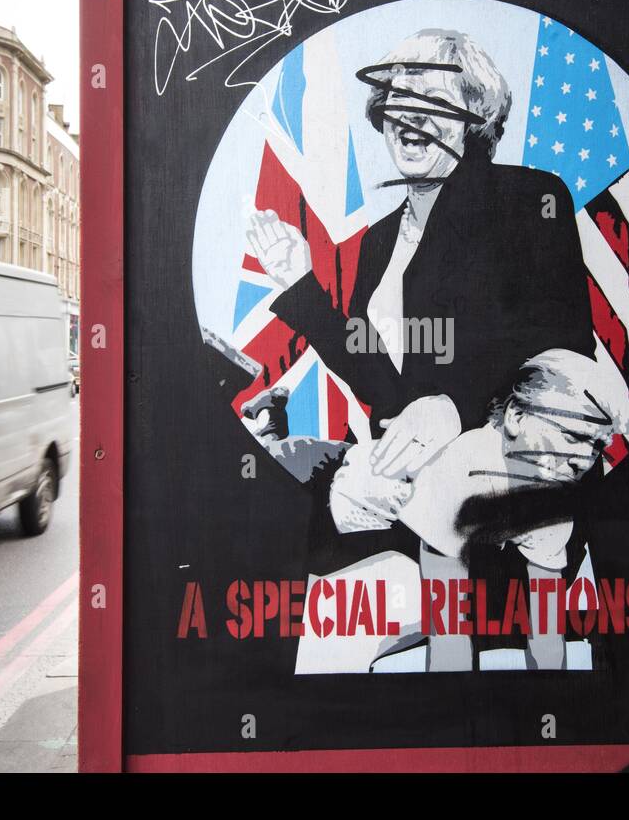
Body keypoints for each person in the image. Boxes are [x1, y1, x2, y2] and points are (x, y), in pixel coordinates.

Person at [247, 29, 594, 483]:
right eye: (399, 96)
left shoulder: (529, 199)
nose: (410, 113)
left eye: (432, 98)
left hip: (511, 482)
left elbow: (560, 344)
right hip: (401, 476)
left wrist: (455, 406)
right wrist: (301, 285)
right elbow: (373, 374)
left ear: (473, 118)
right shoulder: (380, 241)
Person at [322, 349, 626, 671]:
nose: (584, 459)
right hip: (346, 501)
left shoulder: (551, 490)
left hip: (416, 528)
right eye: (573, 436)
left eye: (596, 446)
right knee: (408, 598)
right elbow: (449, 638)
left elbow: (548, 635)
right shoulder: (464, 471)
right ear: (516, 417)